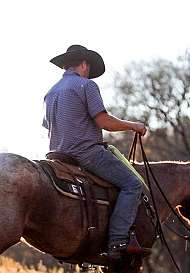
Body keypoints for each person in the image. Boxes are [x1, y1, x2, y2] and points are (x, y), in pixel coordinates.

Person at [43, 45, 147, 260]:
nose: (88, 72)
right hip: (85, 154)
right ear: (83, 64)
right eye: (88, 67)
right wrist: (133, 126)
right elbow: (104, 122)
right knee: (133, 184)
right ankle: (118, 240)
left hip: (56, 155)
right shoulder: (86, 86)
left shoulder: (50, 93)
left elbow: (50, 126)